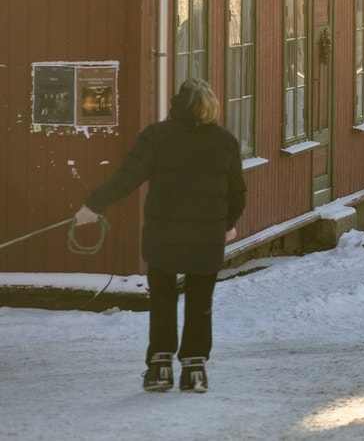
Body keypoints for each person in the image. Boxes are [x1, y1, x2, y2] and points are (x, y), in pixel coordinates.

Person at [76, 79, 246, 394]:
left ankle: (160, 368)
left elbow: (127, 178)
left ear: (177, 105)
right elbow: (237, 193)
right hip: (206, 239)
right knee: (200, 303)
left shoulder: (157, 136)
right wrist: (228, 224)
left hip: (164, 236)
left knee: (163, 301)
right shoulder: (225, 142)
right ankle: (195, 370)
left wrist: (93, 206)